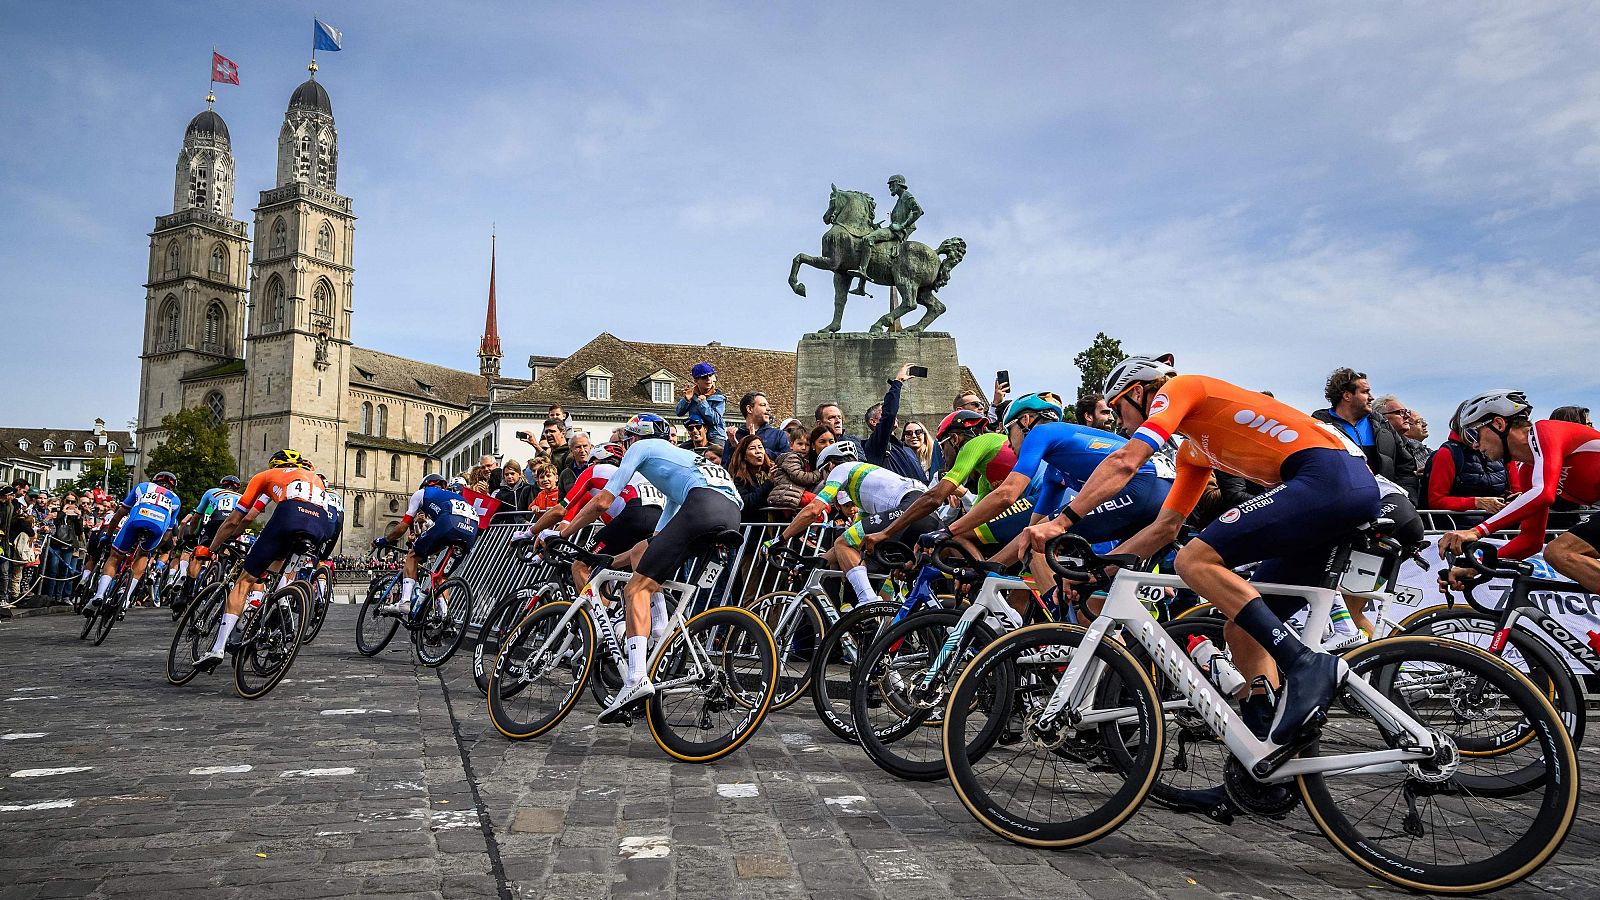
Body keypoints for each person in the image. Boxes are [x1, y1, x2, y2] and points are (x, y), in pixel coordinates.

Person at [1028, 355, 1380, 747]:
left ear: (1139, 392)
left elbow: (1127, 461)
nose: (1120, 421)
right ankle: (1266, 756)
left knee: (1193, 559)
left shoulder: (1183, 388)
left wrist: (1062, 522)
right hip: (1338, 488)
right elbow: (1166, 527)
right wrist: (1102, 570)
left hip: (1327, 477)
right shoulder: (1193, 451)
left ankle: (1305, 664)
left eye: (1119, 408)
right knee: (1242, 632)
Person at [554, 413, 742, 722]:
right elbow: (654, 538)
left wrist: (560, 533)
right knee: (648, 566)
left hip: (702, 507)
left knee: (635, 588)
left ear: (633, 437)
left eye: (627, 440)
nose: (625, 445)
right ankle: (659, 630)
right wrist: (612, 561)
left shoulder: (641, 449)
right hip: (730, 515)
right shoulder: (683, 462)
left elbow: (602, 502)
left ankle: (635, 679)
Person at [939, 393, 1172, 565]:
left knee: (1041, 543)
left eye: (1009, 431)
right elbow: (1031, 528)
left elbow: (1007, 494)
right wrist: (994, 567)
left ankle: (1055, 619)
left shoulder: (1041, 433)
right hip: (1160, 493)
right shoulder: (1055, 470)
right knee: (1094, 595)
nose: (1008, 443)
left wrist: (949, 532)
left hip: (1140, 486)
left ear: (1026, 421)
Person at [1438, 391, 1600, 595]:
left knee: (1560, 552)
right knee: (1560, 553)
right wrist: (1473, 568)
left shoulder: (1545, 431)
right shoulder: (1528, 471)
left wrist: (1476, 531)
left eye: (1473, 434)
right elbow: (1530, 541)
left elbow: (1544, 494)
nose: (1475, 445)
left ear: (1498, 424)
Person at [193, 451, 332, 670]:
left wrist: (212, 548)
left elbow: (239, 518)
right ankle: (274, 609)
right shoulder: (312, 478)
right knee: (276, 571)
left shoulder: (265, 476)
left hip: (290, 515)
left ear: (273, 465)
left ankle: (217, 648)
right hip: (321, 526)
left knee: (245, 580)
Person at [766, 441, 940, 612]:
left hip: (909, 506)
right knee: (888, 591)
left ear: (830, 464)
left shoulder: (842, 469)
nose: (825, 480)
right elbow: (853, 539)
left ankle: (867, 600)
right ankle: (887, 633)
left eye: (824, 474)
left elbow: (813, 510)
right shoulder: (866, 487)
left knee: (843, 543)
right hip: (928, 514)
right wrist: (817, 562)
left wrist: (779, 540)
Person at [373, 473, 481, 618]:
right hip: (470, 531)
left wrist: (385, 540)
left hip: (448, 524)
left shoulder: (421, 493)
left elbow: (403, 526)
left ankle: (404, 602)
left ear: (426, 484)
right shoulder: (455, 497)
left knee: (413, 555)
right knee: (442, 576)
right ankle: (444, 616)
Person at [86, 471, 183, 616]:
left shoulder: (142, 486)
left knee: (115, 557)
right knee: (143, 556)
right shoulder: (176, 500)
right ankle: (125, 600)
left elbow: (120, 514)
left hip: (136, 519)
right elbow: (167, 533)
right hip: (157, 528)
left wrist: (108, 535)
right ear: (172, 487)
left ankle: (99, 595)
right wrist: (152, 550)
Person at [1312, 368, 1415, 487]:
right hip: (1342, 502)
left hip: (1385, 502)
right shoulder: (1320, 427)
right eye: (1365, 392)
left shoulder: (1382, 425)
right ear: (1347, 396)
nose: (1371, 397)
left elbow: (1406, 466)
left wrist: (1407, 497)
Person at [1425, 400, 1509, 524]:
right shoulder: (1447, 453)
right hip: (1460, 527)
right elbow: (1436, 500)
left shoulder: (1502, 451)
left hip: (1501, 526)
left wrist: (1512, 499)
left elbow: (1514, 490)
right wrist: (1477, 502)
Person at [178, 475, 243, 606]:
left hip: (215, 522)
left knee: (199, 555)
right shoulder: (241, 497)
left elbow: (196, 517)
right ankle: (222, 575)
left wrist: (191, 534)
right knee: (226, 551)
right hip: (232, 524)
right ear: (237, 488)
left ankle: (186, 592)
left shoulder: (212, 492)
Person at [862, 365, 932, 483]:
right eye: (883, 411)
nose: (893, 416)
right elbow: (889, 415)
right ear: (873, 422)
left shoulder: (907, 449)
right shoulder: (876, 445)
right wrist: (897, 382)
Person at [722, 390, 788, 462]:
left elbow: (786, 459)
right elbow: (726, 467)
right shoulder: (735, 437)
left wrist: (757, 448)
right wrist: (735, 447)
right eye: (763, 405)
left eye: (767, 405)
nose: (769, 409)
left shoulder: (778, 435)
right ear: (750, 409)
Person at [768, 424, 821, 512]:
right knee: (822, 504)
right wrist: (818, 473)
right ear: (791, 445)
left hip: (793, 494)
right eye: (800, 444)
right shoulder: (792, 457)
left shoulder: (803, 460)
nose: (804, 448)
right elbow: (800, 477)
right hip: (787, 493)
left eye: (807, 445)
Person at [675, 362, 727, 446]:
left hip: (715, 436)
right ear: (696, 381)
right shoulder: (692, 395)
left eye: (710, 376)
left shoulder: (719, 398)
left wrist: (703, 404)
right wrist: (686, 400)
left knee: (718, 454)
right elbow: (678, 412)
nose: (708, 379)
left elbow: (715, 420)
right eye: (704, 377)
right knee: (680, 451)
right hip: (697, 435)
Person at [728, 434, 775, 520]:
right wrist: (768, 482)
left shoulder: (772, 471)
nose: (758, 451)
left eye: (760, 447)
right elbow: (747, 503)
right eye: (752, 448)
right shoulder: (739, 478)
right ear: (744, 456)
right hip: (753, 528)